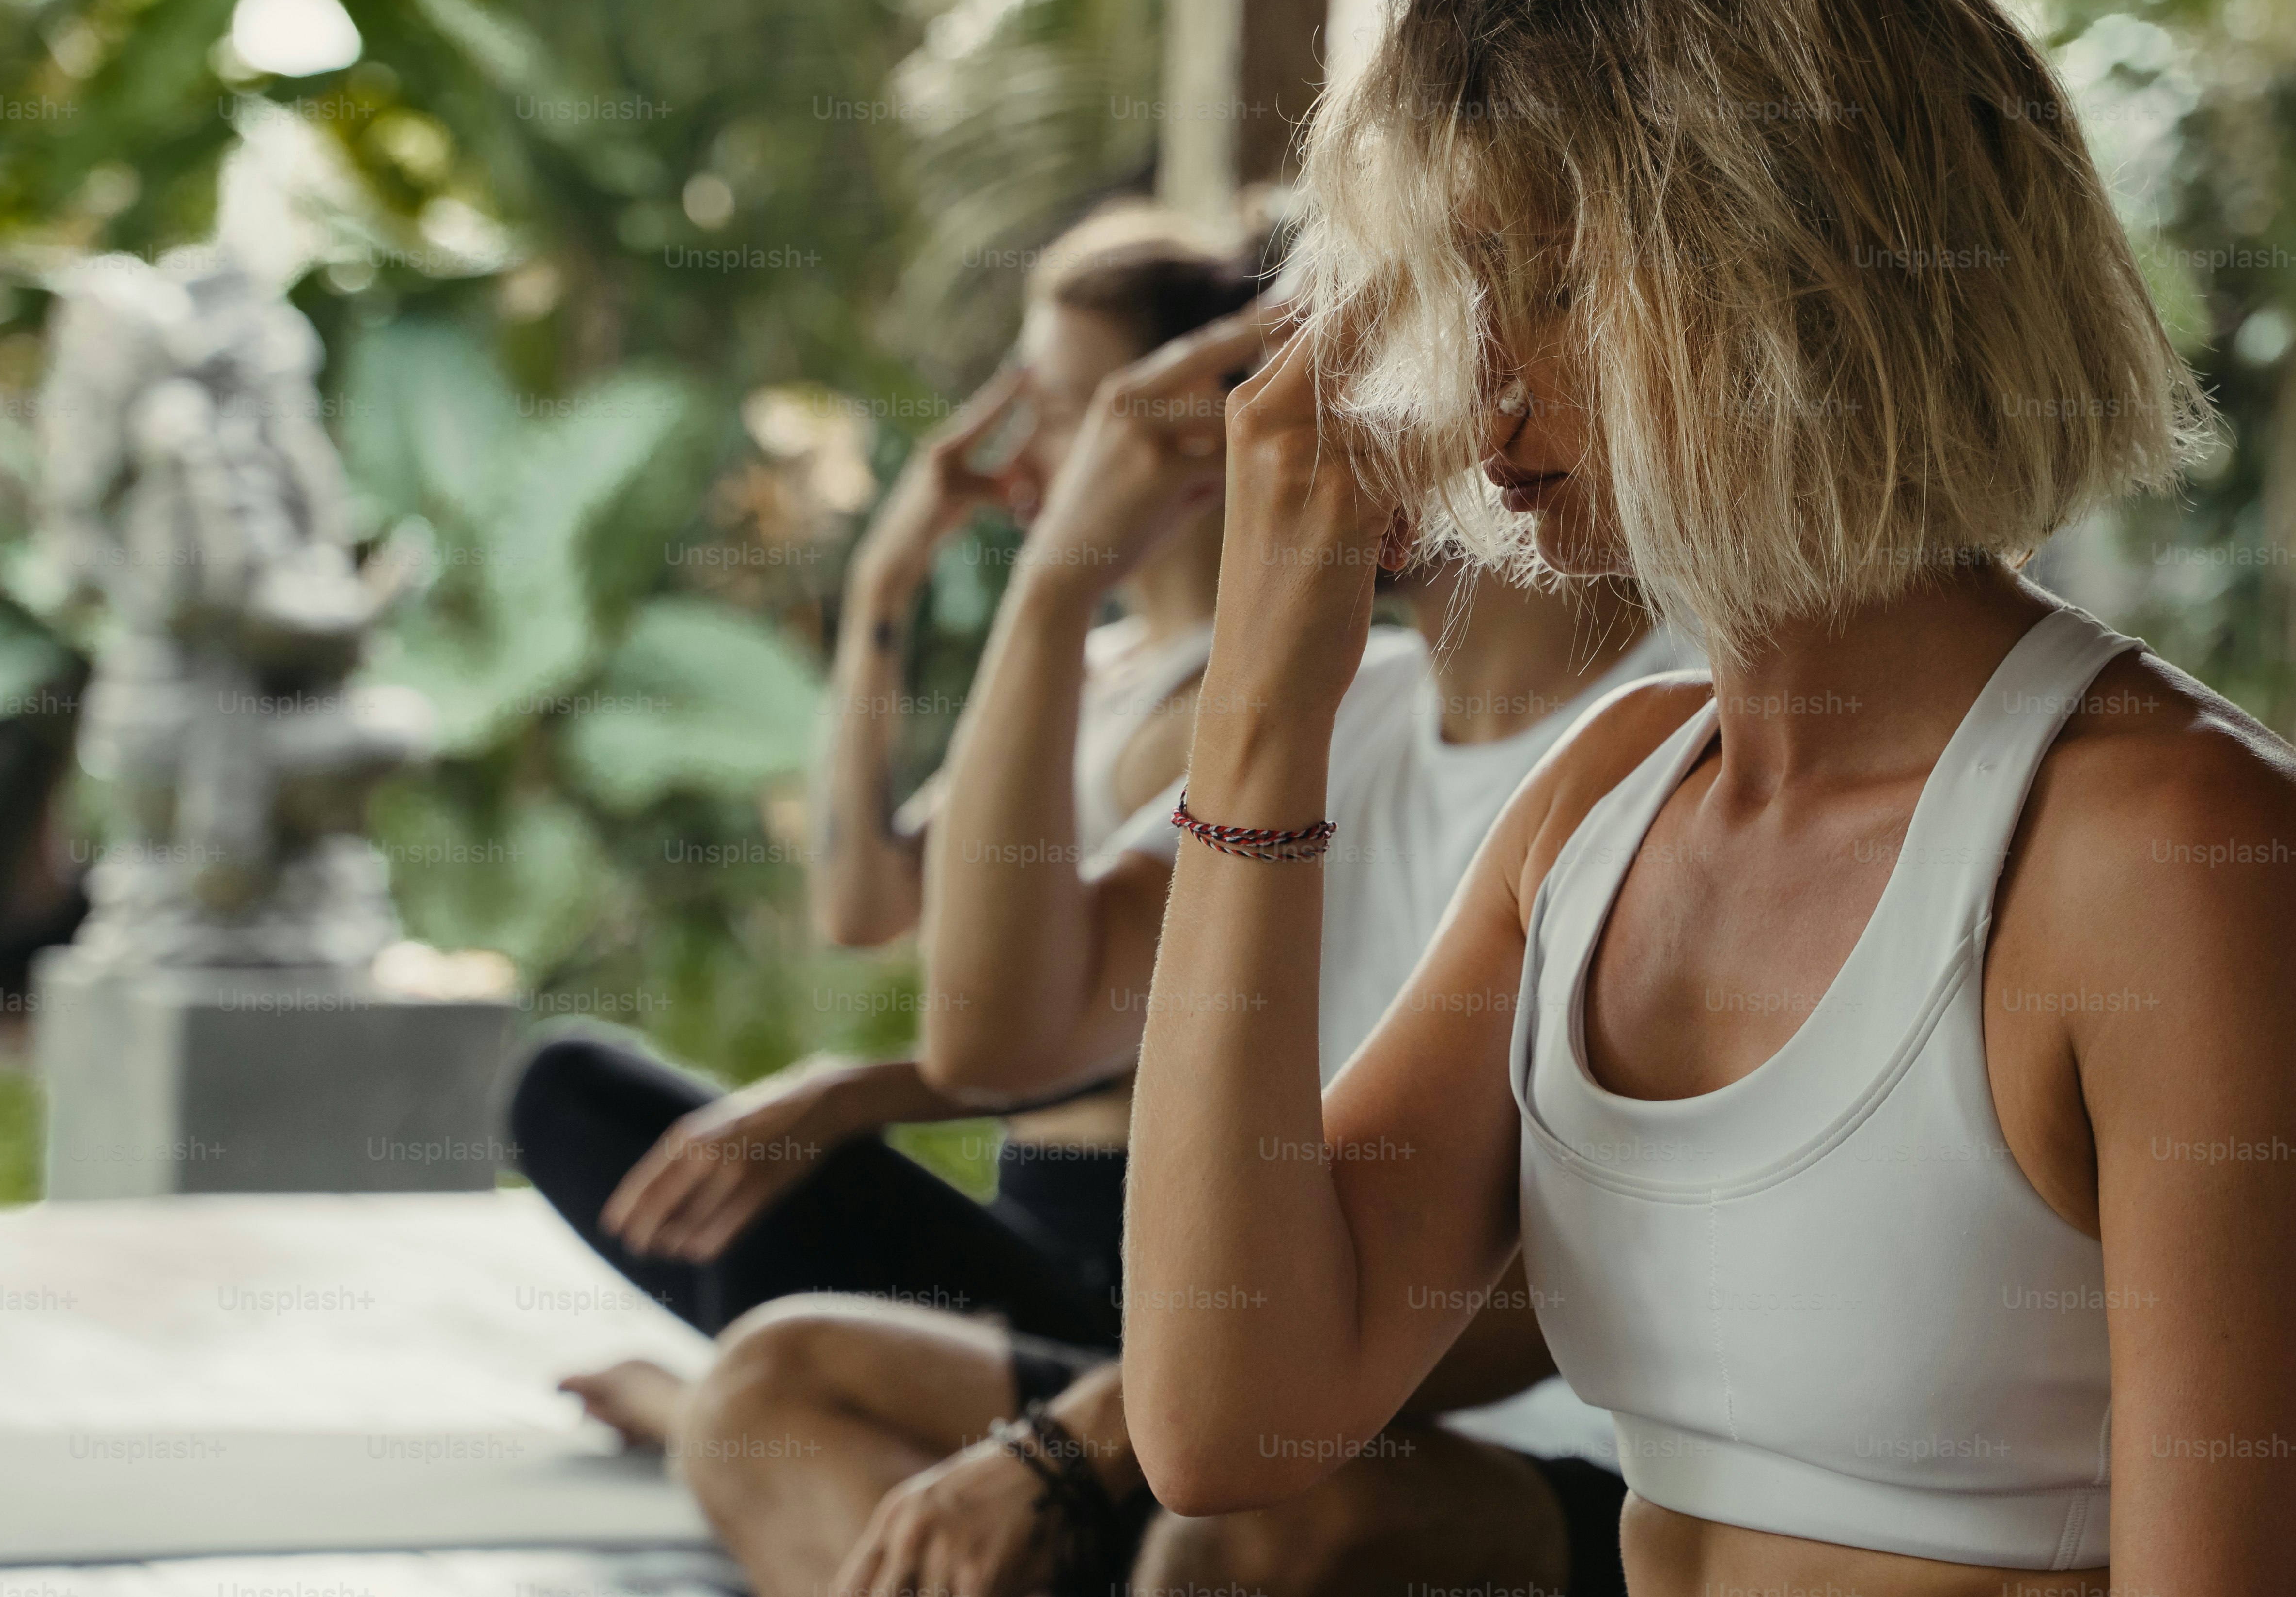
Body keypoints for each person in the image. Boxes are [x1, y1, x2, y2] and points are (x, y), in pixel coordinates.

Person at [1121, 0, 2296, 1596]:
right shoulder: (1600, 805)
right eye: (1462, 281)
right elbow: (1224, 1421)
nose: (1480, 377)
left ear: (1810, 269)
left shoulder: (2171, 855)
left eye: (1561, 286)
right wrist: (1258, 718)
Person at [632, 306, 1696, 1597]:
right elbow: (991, 1033)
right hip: (1258, 1403)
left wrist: (1079, 1438)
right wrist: (1059, 578)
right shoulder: (1351, 711)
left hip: (1553, 1469)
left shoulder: (1677, 731)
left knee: (1252, 1521)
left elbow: (1544, 1291)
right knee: (760, 1392)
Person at [503, 202, 1261, 1355]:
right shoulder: (1092, 671)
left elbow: (1113, 1025)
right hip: (1018, 1220)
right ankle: (862, 1404)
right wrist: (880, 590)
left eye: (1058, 413)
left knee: (749, 1157)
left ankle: (829, 1407)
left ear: (1189, 423)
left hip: (1131, 1274)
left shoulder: (1253, 698)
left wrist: (838, 1095)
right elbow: (863, 903)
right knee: (574, 1094)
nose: (1017, 456)